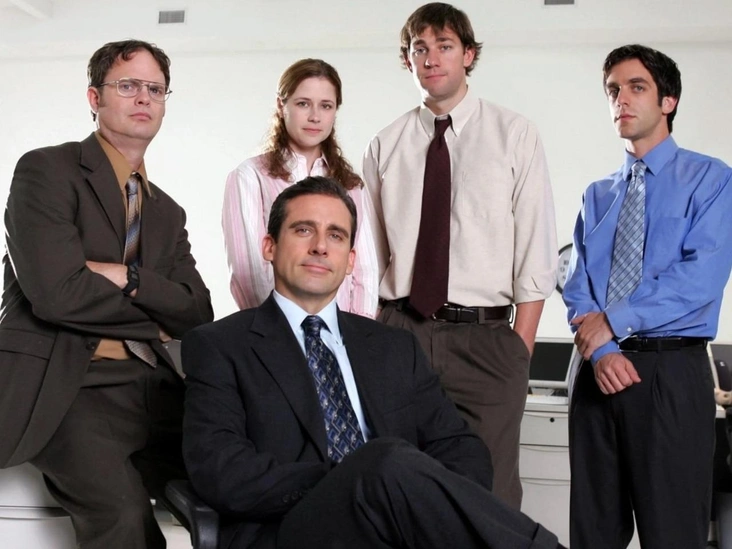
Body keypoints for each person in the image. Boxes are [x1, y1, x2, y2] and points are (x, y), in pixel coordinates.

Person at [183, 176, 565, 549]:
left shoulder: (394, 347)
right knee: (383, 460)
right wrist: (352, 478)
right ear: (269, 246)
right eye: (303, 230)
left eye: (336, 236)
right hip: (289, 529)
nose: (320, 246)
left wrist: (420, 503)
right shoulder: (220, 346)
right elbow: (222, 472)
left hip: (399, 528)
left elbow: (461, 448)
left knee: (392, 465)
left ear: (350, 260)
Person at [0, 40, 213, 549]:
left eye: (155, 89)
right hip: (73, 388)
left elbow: (196, 313)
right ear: (94, 98)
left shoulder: (167, 213)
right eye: (128, 85)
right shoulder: (47, 173)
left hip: (155, 388)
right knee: (122, 515)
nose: (143, 98)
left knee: (246, 483)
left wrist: (128, 278)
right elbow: (57, 294)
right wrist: (154, 318)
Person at [362, 2, 557, 509]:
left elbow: (536, 248)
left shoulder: (515, 134)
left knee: (490, 495)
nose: (431, 59)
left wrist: (518, 351)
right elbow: (372, 258)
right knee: (400, 486)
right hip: (402, 332)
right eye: (419, 49)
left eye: (444, 46)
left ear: (468, 55)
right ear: (407, 60)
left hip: (486, 341)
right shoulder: (385, 145)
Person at [563, 44, 732, 549]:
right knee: (593, 535)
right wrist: (603, 349)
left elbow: (700, 278)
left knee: (673, 534)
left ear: (668, 101)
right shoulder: (597, 194)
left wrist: (613, 322)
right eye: (613, 90)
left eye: (636, 87)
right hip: (596, 372)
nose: (621, 99)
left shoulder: (712, 180)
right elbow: (576, 283)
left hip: (669, 374)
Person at [223, 58, 378, 318]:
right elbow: (248, 270)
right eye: (303, 103)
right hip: (274, 329)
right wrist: (284, 328)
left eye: (326, 106)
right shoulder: (250, 177)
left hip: (341, 331)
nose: (315, 116)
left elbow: (365, 272)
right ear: (281, 105)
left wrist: (357, 331)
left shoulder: (352, 185)